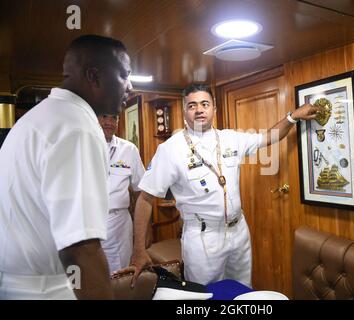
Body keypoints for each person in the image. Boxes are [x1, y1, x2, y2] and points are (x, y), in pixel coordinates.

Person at [118, 83, 318, 287]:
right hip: (203, 238)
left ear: (214, 108)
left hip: (238, 232)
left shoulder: (231, 138)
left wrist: (293, 116)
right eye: (192, 105)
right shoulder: (170, 150)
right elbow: (145, 199)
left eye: (205, 104)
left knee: (241, 292)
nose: (199, 110)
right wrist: (138, 250)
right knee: (206, 296)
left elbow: (269, 137)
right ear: (184, 110)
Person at [0, 34, 132, 299]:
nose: (129, 86)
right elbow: (80, 248)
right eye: (124, 75)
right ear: (94, 76)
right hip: (46, 288)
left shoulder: (38, 118)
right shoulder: (77, 127)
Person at [97, 114, 145, 273]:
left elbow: (142, 192)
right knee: (91, 273)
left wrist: (145, 232)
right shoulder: (80, 147)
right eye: (104, 117)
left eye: (114, 118)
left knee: (122, 271)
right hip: (89, 221)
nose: (109, 122)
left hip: (120, 222)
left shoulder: (129, 149)